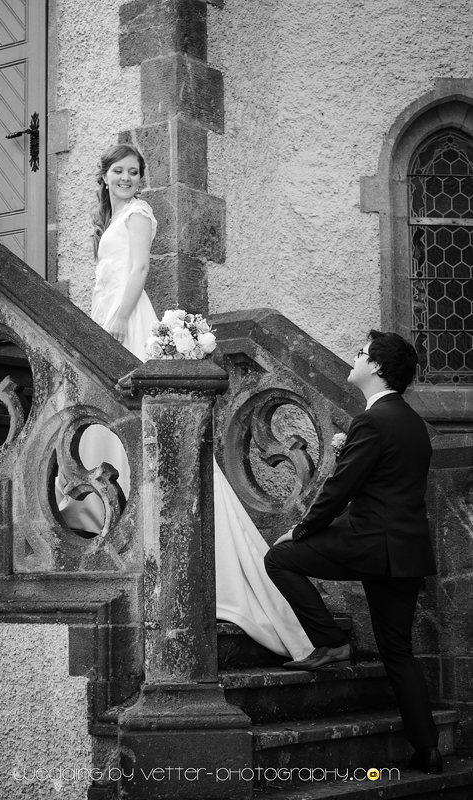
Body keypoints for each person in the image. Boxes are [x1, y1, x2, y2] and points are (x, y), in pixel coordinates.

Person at [56, 143, 313, 662]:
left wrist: (114, 324)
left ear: (141, 179)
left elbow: (138, 271)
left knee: (140, 422)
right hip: (108, 316)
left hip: (126, 319)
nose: (126, 177)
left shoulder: (139, 213)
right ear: (103, 176)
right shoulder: (111, 218)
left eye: (134, 171)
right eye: (117, 170)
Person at [264, 331, 442, 775]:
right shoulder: (413, 423)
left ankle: (331, 642)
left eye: (361, 353)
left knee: (279, 559)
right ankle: (429, 750)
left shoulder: (373, 421)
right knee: (398, 652)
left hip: (369, 545)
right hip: (407, 553)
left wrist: (301, 530)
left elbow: (340, 488)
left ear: (377, 367)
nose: (355, 357)